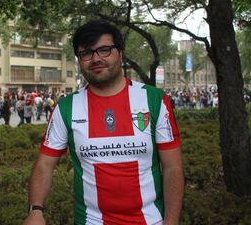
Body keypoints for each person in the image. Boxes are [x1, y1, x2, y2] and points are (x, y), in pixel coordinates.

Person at [23, 21, 184, 225]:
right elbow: (44, 165)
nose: (96, 59)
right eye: (86, 53)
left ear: (121, 53)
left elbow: (173, 167)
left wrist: (171, 222)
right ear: (79, 60)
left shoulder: (155, 101)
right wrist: (35, 210)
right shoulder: (66, 107)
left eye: (104, 50)